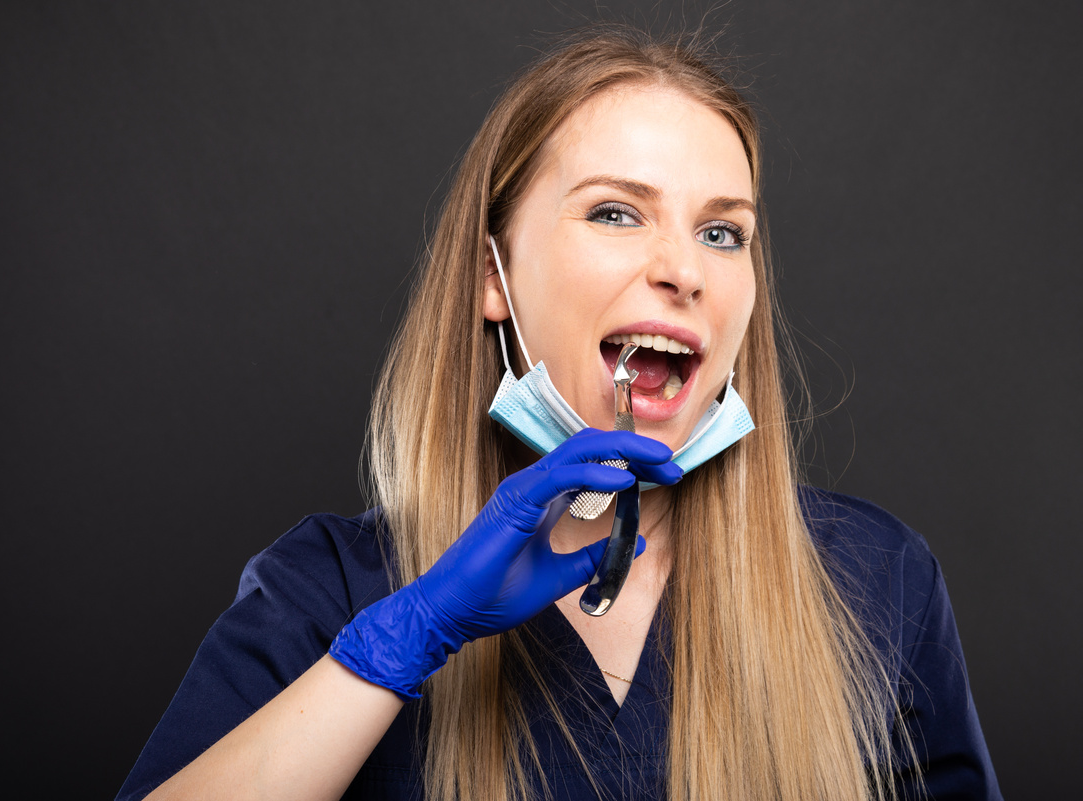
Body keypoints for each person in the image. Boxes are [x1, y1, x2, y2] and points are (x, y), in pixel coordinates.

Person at [117, 26, 1000, 801]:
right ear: (494, 280)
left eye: (722, 231)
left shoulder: (880, 582)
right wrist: (404, 640)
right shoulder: (330, 590)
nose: (684, 270)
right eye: (617, 213)